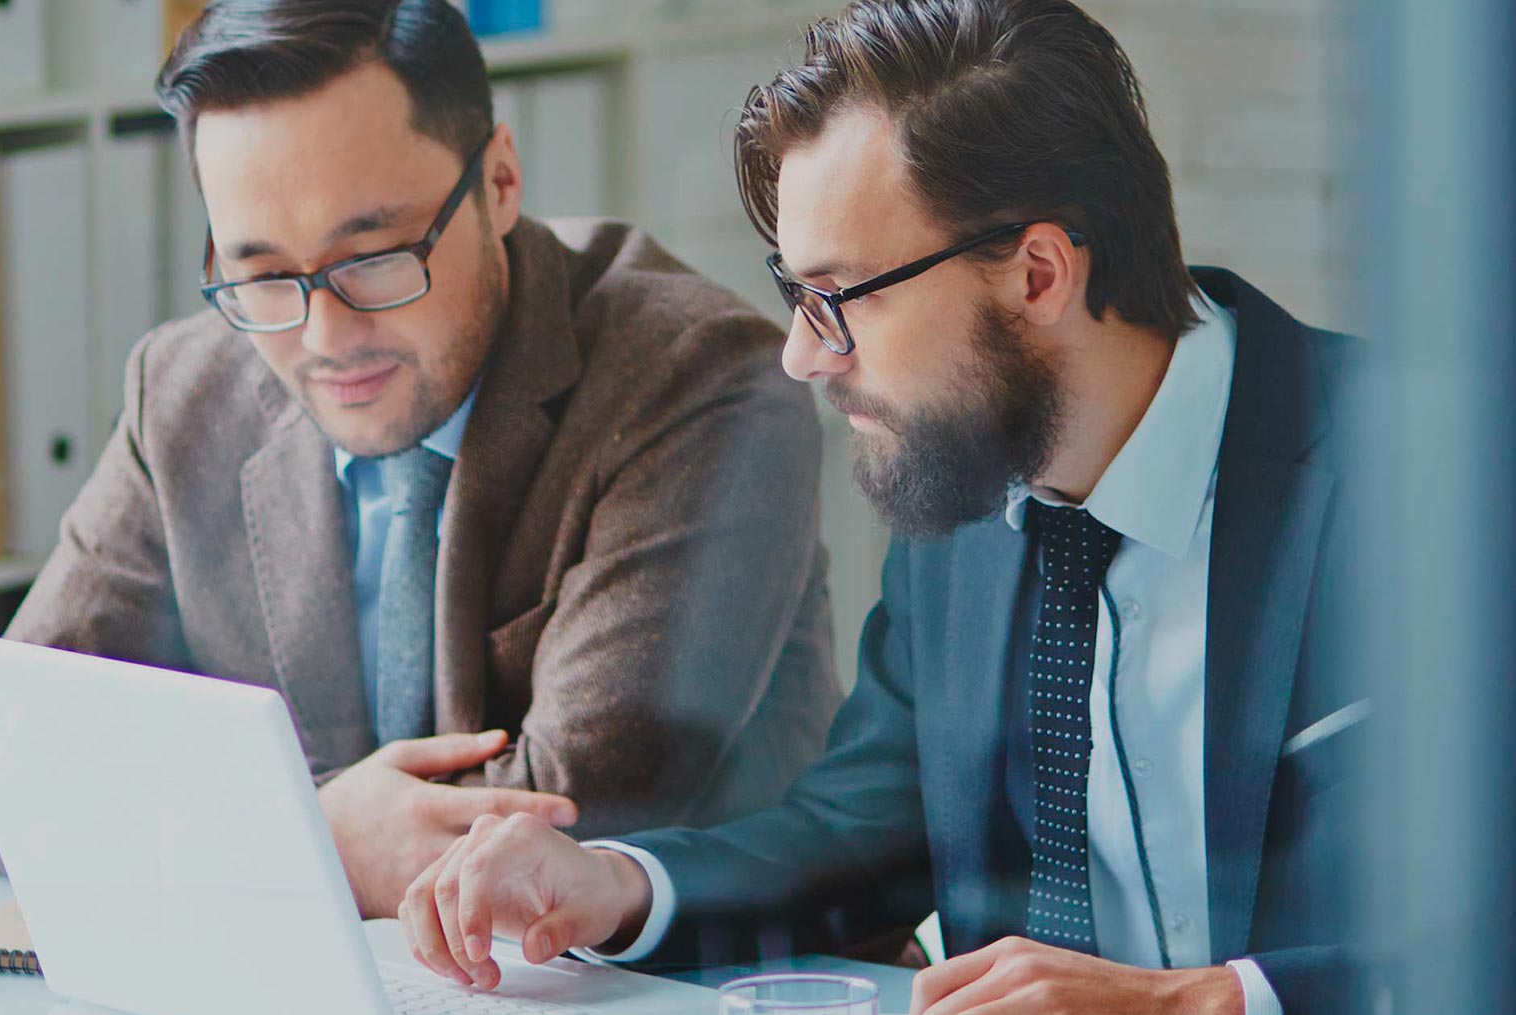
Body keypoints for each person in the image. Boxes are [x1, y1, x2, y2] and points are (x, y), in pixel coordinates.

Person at [398, 1, 1364, 1012]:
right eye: (795, 294)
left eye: (843, 296)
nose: (802, 355)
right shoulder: (968, 484)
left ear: (1037, 275)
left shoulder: (1421, 480)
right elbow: (855, 833)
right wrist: (615, 883)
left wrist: (1196, 1000)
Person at [0, 0, 842, 922]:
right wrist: (311, 837)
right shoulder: (182, 393)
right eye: (263, 274)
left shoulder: (699, 378)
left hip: (680, 978)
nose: (326, 337)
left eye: (373, 257)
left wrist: (230, 830)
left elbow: (559, 822)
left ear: (499, 181)